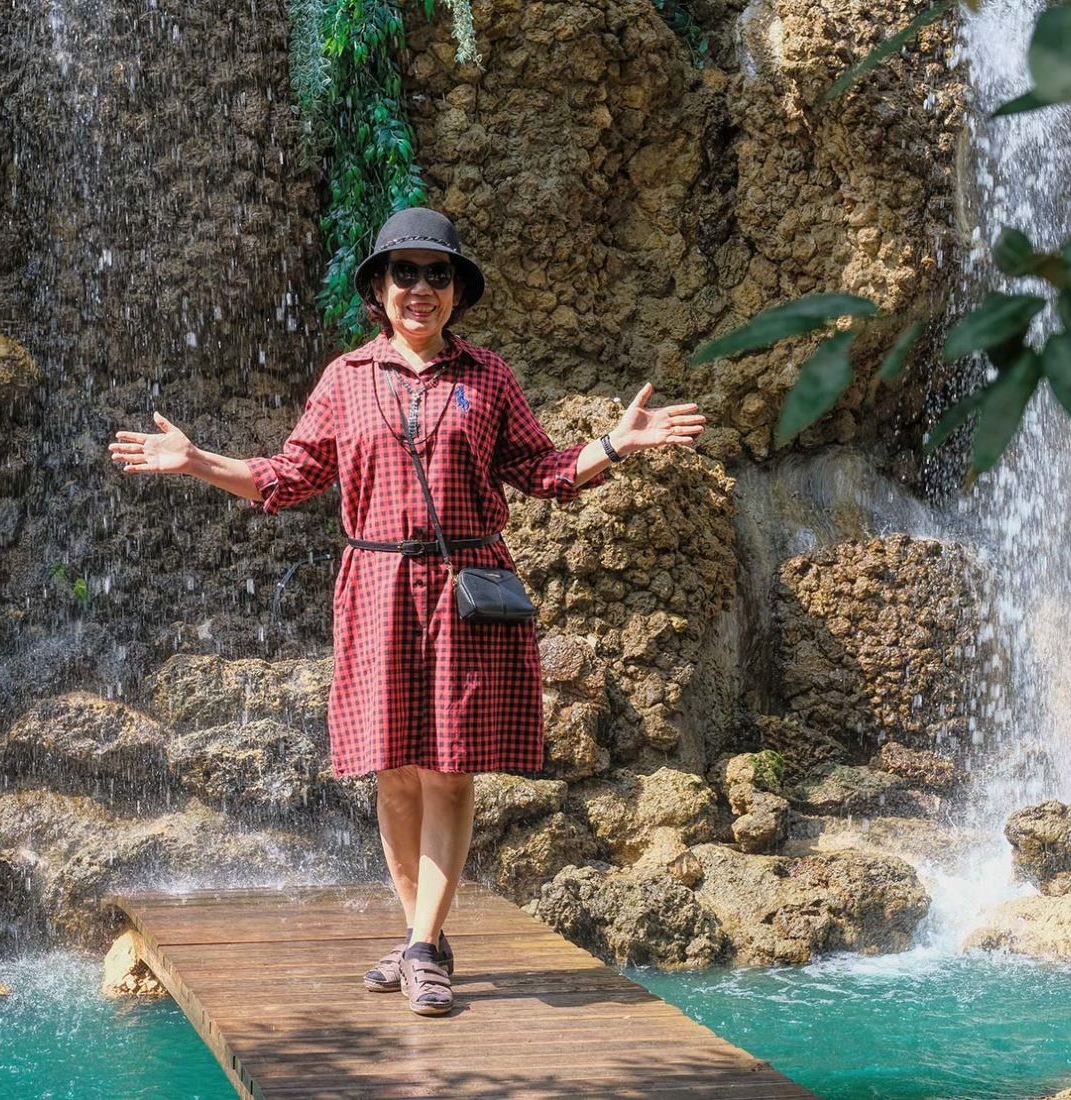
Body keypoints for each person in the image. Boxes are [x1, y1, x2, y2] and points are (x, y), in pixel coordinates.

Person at [108, 207, 706, 1016]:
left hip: (465, 585)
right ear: (378, 290)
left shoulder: (487, 377)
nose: (420, 289)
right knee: (391, 771)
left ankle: (423, 947)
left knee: (449, 768)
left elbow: (543, 471)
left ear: (456, 291)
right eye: (404, 273)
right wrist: (197, 461)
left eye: (437, 274)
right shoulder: (346, 379)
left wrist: (611, 444)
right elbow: (288, 477)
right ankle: (421, 932)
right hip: (378, 584)